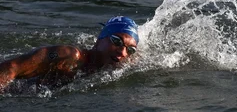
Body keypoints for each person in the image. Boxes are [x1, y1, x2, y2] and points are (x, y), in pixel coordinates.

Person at [0, 16, 139, 92]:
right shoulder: (69, 56)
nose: (122, 52)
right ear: (100, 39)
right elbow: (12, 67)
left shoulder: (120, 65)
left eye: (130, 49)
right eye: (117, 41)